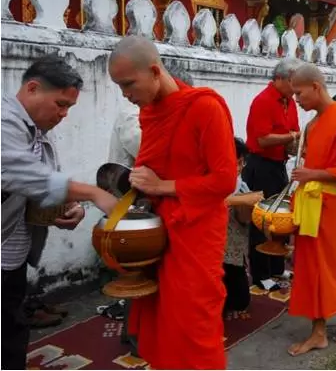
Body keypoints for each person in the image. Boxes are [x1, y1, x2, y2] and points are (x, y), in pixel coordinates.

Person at [109, 36, 238, 370]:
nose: (125, 94)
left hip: (196, 232)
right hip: (158, 233)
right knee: (160, 319)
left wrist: (161, 185)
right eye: (119, 86)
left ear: (154, 71)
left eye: (128, 84)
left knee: (194, 320)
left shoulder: (204, 107)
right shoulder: (151, 112)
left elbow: (224, 180)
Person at [1, 55, 118, 370]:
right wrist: (94, 193)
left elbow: (46, 188)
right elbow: (23, 175)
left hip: (12, 251)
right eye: (60, 104)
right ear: (33, 88)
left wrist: (73, 208)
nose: (64, 115)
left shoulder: (37, 130)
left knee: (11, 329)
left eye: (69, 107)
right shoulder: (4, 121)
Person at [287, 64, 336, 356]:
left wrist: (313, 174)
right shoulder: (313, 124)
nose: (296, 99)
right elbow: (313, 161)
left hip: (333, 205)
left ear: (316, 87)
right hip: (310, 203)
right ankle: (318, 331)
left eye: (299, 92)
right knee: (311, 269)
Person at [243, 59, 302, 291]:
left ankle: (277, 267)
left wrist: (297, 143)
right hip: (260, 164)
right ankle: (260, 274)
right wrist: (292, 137)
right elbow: (262, 139)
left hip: (279, 164)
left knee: (282, 216)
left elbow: (293, 134)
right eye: (293, 81)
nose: (296, 87)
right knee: (262, 219)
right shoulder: (263, 101)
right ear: (280, 79)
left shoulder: (290, 102)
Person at [223, 138, 263, 320]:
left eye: (241, 163)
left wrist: (248, 205)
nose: (239, 168)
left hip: (234, 254)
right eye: (234, 163)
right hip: (212, 252)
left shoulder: (242, 186)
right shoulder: (209, 181)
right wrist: (239, 200)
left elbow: (244, 219)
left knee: (240, 300)